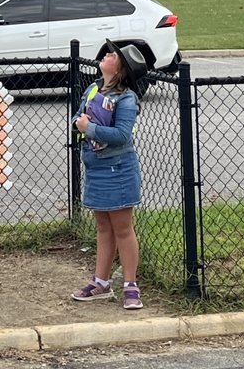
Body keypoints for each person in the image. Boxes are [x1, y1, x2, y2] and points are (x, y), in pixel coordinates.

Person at [71, 39, 147, 311]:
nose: (106, 55)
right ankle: (100, 281)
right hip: (96, 167)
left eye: (112, 55)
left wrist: (88, 129)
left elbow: (122, 134)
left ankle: (130, 285)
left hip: (118, 168)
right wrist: (79, 124)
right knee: (103, 227)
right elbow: (79, 116)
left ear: (121, 69)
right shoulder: (93, 89)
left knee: (123, 228)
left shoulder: (126, 98)